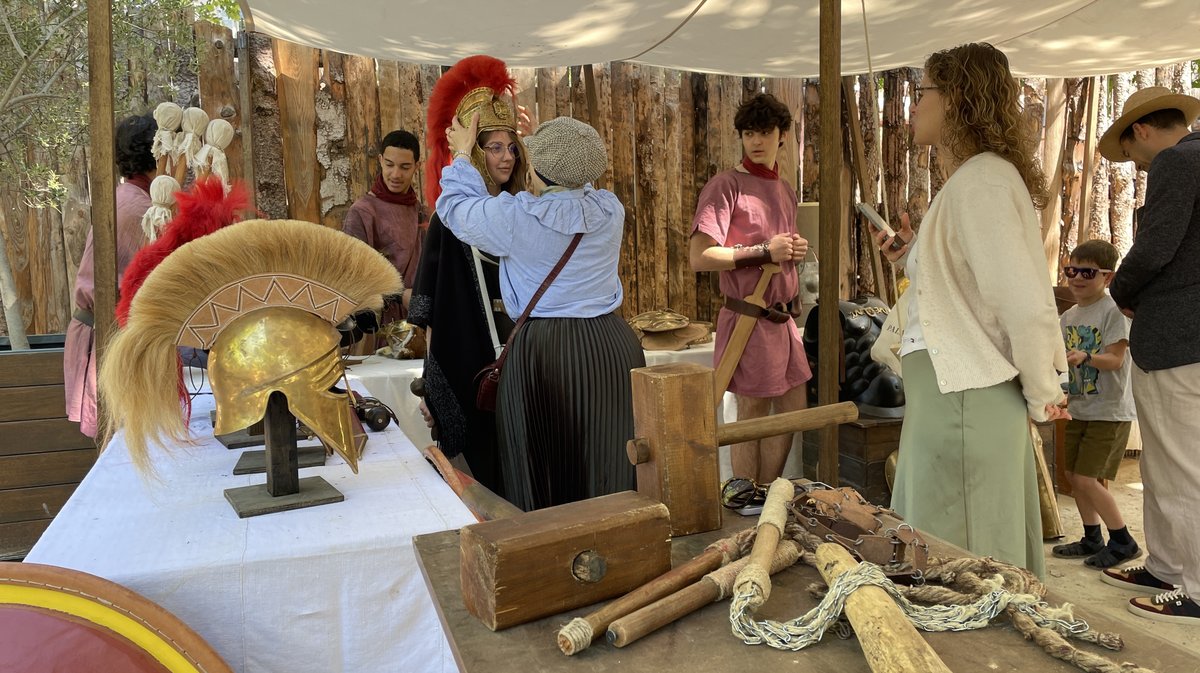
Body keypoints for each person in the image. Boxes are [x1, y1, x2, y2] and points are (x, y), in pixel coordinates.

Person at [872, 43, 1068, 578]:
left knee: (963, 557)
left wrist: (1044, 394)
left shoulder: (982, 181)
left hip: (964, 398)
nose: (914, 105)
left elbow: (1021, 303)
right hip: (955, 394)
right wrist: (911, 255)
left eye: (923, 92)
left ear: (956, 98)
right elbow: (970, 288)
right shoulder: (974, 182)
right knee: (953, 547)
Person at [438, 112, 643, 511]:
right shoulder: (610, 211)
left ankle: (549, 554)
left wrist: (462, 155)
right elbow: (576, 189)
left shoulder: (517, 217)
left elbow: (455, 209)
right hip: (613, 347)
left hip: (544, 353)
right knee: (612, 462)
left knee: (539, 465)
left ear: (535, 168)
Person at [1095, 86, 1200, 624]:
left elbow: (1155, 247)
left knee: (1182, 466)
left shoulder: (1177, 162)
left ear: (1140, 130)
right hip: (1184, 338)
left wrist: (1122, 292)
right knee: (1166, 461)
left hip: (1178, 338)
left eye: (1128, 149)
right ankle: (1166, 567)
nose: (1133, 163)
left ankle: (1195, 587)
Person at [410, 55, 529, 496]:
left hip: (516, 353)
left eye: (511, 147)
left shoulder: (522, 207)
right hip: (465, 352)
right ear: (475, 152)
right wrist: (431, 383)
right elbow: (430, 302)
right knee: (475, 480)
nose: (506, 157)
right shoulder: (451, 215)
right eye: (494, 147)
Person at [688, 93, 811, 486]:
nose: (756, 141)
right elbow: (700, 256)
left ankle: (767, 492)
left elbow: (777, 251)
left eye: (765, 132)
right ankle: (745, 498)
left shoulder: (786, 191)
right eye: (748, 133)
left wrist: (793, 251)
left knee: (795, 408)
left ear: (783, 136)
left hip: (783, 321)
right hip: (748, 318)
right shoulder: (726, 186)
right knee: (752, 410)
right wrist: (762, 251)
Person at [63, 112, 156, 439]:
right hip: (103, 339)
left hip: (102, 334)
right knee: (119, 447)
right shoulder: (141, 209)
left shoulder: (127, 199)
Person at [1052, 240, 1140, 569]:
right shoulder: (1068, 317)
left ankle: (1123, 541)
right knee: (1074, 476)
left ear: (1106, 276)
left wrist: (1087, 356)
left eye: (1086, 272)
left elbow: (1116, 360)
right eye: (1070, 270)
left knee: (1088, 479)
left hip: (1109, 411)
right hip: (1079, 408)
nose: (1076, 278)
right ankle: (1092, 537)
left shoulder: (1113, 311)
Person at [342, 129, 427, 315]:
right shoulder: (362, 212)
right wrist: (398, 295)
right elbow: (352, 275)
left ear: (417, 166)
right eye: (389, 165)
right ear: (380, 160)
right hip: (379, 323)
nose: (395, 174)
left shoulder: (421, 213)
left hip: (417, 318)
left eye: (405, 167)